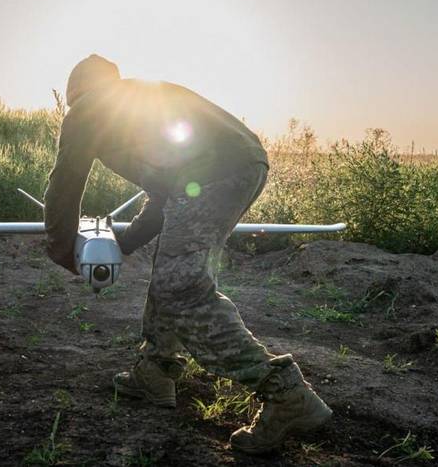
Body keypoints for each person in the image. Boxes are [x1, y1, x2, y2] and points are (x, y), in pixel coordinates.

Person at [43, 54, 332, 454]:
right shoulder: (134, 103)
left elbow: (66, 182)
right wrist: (123, 245)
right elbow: (163, 197)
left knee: (182, 288)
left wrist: (62, 250)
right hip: (239, 165)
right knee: (172, 271)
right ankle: (156, 369)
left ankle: (284, 393)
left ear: (75, 93)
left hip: (215, 174)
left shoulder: (88, 108)